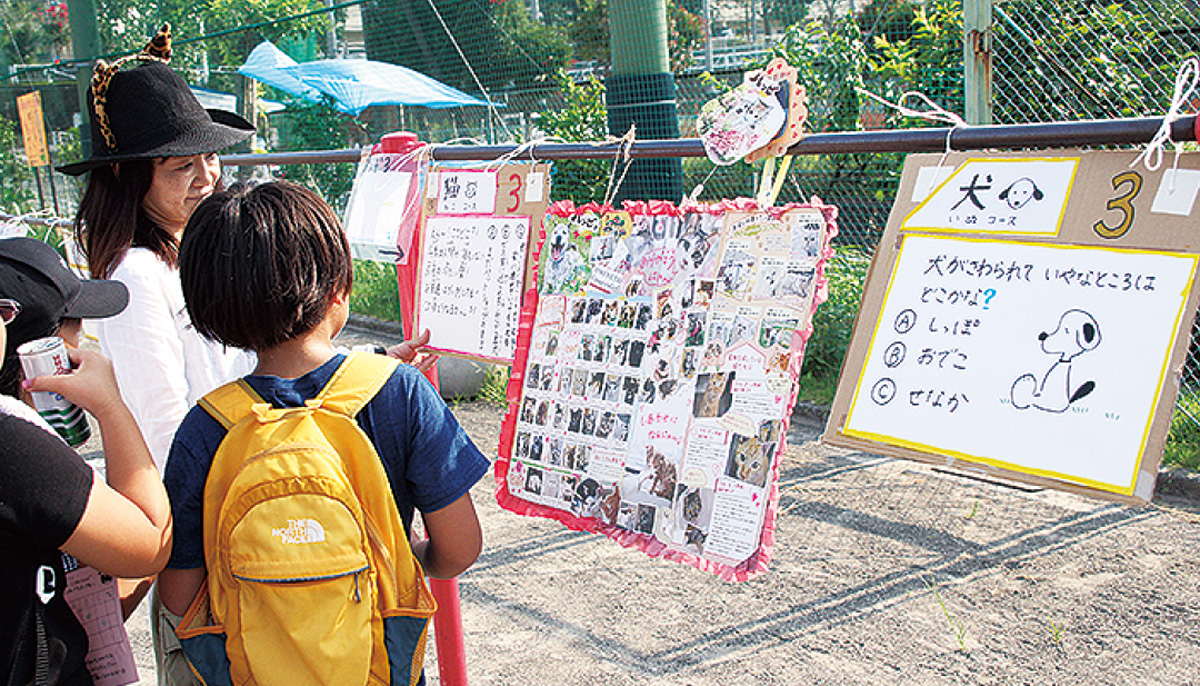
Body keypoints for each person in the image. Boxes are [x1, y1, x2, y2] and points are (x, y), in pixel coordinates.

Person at [156, 182, 486, 681]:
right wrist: (397, 555)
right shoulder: (399, 393)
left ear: (211, 309)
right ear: (337, 287)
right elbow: (459, 548)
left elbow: (180, 595)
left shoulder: (206, 426)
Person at [0, 237, 172, 686]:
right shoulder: (15, 448)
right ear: (43, 354)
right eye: (76, 328)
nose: (87, 342)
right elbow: (150, 541)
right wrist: (111, 406)